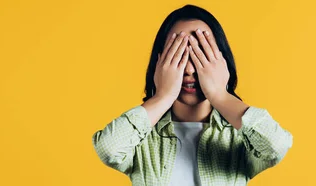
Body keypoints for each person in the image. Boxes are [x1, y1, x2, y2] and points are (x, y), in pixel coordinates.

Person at [92, 4, 293, 186]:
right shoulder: (141, 137)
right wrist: (162, 96)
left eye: (201, 53)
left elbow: (276, 146)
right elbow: (109, 149)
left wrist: (219, 95)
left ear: (221, 62)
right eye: (179, 54)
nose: (189, 69)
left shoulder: (239, 137)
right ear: (160, 62)